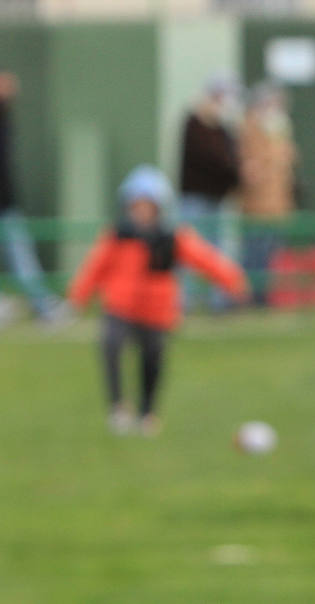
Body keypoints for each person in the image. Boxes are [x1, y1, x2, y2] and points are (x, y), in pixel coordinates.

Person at [68, 165, 248, 436]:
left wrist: (232, 280)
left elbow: (205, 260)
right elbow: (95, 267)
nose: (141, 212)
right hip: (120, 306)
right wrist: (77, 298)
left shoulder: (172, 238)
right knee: (111, 344)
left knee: (152, 361)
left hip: (156, 312)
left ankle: (147, 414)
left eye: (147, 206)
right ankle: (118, 408)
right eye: (136, 205)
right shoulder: (118, 236)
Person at [0, 70, 65, 324]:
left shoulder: (5, 118)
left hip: (6, 203)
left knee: (22, 256)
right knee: (21, 255)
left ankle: (44, 308)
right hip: (6, 204)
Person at [178, 74, 241, 313]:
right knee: (188, 250)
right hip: (194, 198)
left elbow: (231, 159)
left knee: (216, 251)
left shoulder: (223, 129)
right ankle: (185, 302)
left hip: (217, 198)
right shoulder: (193, 124)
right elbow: (212, 159)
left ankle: (219, 301)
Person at [238, 80, 297, 308]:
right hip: (256, 206)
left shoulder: (280, 130)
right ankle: (251, 298)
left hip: (278, 205)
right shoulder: (250, 127)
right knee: (254, 252)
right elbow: (252, 168)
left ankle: (263, 297)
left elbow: (288, 163)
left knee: (271, 253)